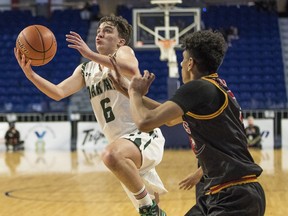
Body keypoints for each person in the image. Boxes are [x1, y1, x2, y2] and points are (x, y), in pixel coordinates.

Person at [14, 15, 167, 216]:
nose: (100, 34)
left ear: (120, 40)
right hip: (122, 145)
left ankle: (150, 209)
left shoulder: (124, 52)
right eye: (98, 31)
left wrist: (88, 52)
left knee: (111, 156)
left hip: (142, 134)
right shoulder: (86, 69)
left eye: (107, 31)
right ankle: (152, 210)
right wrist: (31, 75)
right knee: (148, 208)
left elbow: (131, 68)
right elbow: (59, 93)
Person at [110, 30, 266, 216]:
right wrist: (129, 92)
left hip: (235, 196)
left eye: (183, 60)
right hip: (221, 193)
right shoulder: (214, 87)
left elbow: (145, 122)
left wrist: (135, 94)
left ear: (190, 63)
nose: (182, 65)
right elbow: (169, 118)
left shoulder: (198, 87)